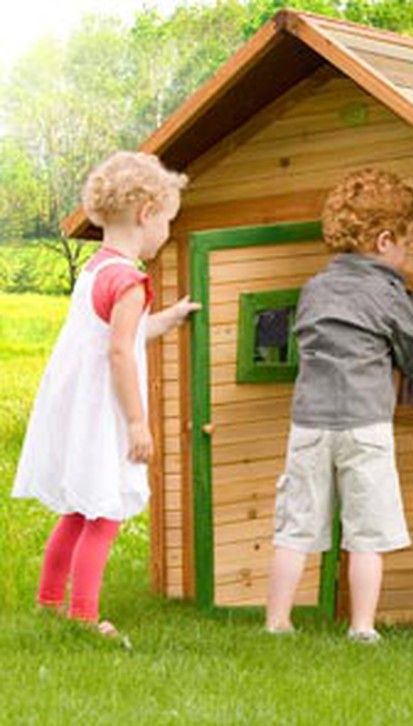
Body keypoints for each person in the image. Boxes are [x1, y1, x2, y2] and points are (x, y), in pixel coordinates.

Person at [265, 167, 413, 642]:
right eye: (406, 243)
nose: (406, 253)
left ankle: (277, 623)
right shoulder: (388, 293)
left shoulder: (315, 288)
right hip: (364, 426)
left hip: (309, 424)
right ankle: (362, 628)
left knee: (294, 525)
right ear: (383, 241)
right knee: (367, 530)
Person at [12, 151, 199, 639]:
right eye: (168, 222)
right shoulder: (131, 282)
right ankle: (84, 617)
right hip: (107, 412)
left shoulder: (97, 270)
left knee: (78, 508)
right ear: (146, 214)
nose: (167, 234)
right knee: (106, 513)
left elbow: (123, 336)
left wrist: (171, 318)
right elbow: (120, 353)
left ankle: (51, 601)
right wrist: (138, 422)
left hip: (80, 407)